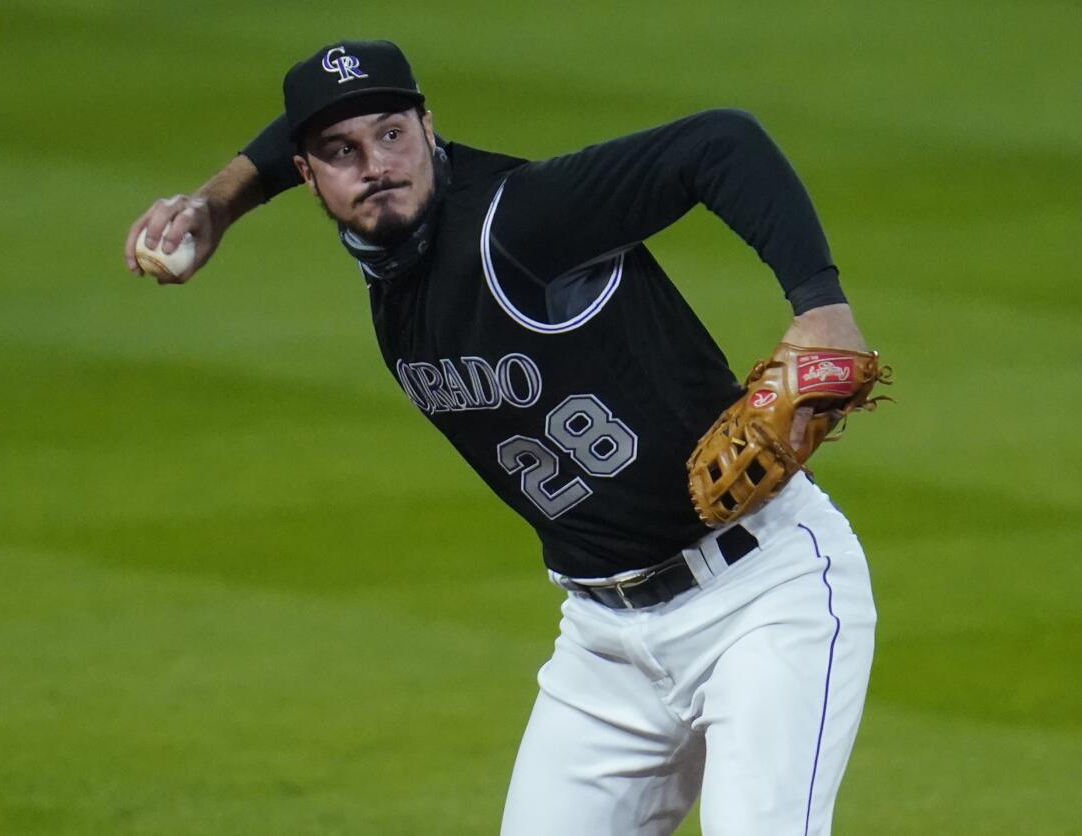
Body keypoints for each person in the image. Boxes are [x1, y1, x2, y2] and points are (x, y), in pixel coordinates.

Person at [124, 39, 878, 836]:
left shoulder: (520, 221)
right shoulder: (390, 247)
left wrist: (821, 305)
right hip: (605, 645)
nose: (377, 164)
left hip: (758, 600)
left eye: (392, 134)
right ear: (308, 176)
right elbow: (311, 130)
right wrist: (218, 202)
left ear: (428, 127)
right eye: (342, 154)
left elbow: (718, 143)